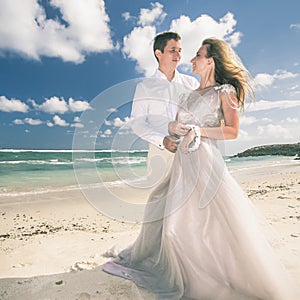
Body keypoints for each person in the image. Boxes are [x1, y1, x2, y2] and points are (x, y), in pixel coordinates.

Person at [103, 38, 297, 299]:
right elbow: (150, 122)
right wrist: (169, 132)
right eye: (175, 51)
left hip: (204, 161)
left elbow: (230, 129)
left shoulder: (211, 88)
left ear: (211, 60)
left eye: (192, 53)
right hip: (173, 156)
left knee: (201, 220)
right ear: (158, 53)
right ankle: (165, 256)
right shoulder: (166, 89)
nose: (185, 57)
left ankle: (209, 269)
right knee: (162, 207)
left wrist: (198, 131)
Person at [130, 31, 199, 187]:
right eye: (172, 50)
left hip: (190, 151)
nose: (178, 55)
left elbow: (202, 117)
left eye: (179, 51)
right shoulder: (144, 87)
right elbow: (137, 123)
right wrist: (162, 140)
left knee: (190, 206)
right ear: (158, 53)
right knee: (159, 205)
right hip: (159, 153)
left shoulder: (191, 84)